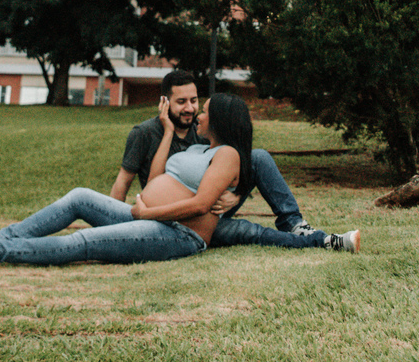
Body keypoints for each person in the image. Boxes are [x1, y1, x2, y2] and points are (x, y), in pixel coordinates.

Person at [0, 93, 359, 267]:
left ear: (221, 119)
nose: (198, 114)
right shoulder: (196, 150)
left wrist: (151, 209)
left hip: (178, 233)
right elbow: (157, 176)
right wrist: (165, 133)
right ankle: (1, 236)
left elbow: (199, 207)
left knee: (85, 243)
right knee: (78, 198)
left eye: (205, 110)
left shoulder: (229, 155)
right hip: (150, 216)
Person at [111, 69, 321, 246]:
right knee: (243, 230)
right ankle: (317, 242)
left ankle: (294, 224)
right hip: (173, 215)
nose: (190, 108)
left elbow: (230, 167)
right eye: (181, 102)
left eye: (194, 101)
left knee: (258, 157)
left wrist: (237, 194)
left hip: (208, 207)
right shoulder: (144, 133)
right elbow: (123, 180)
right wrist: (115, 225)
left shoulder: (202, 131)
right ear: (164, 102)